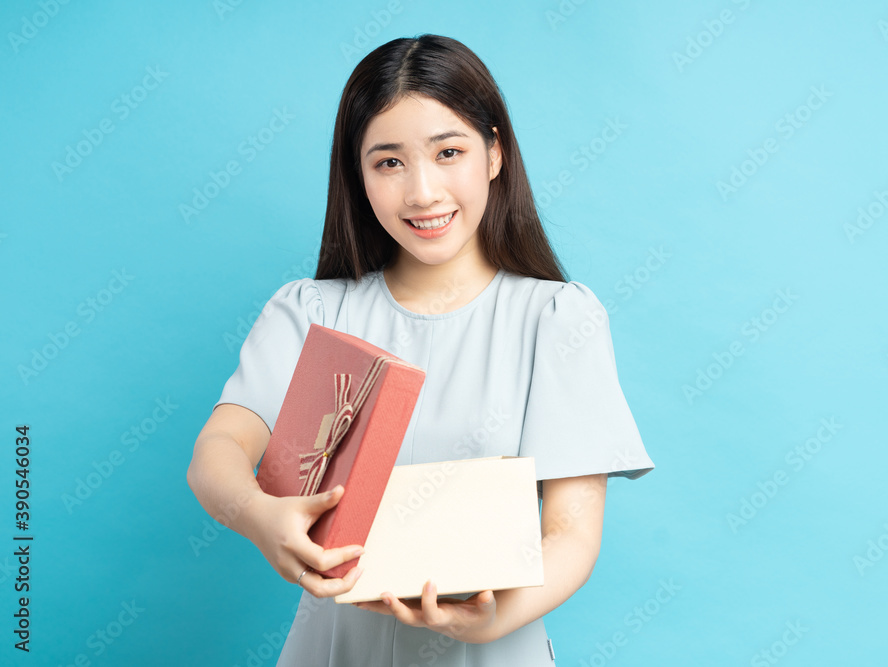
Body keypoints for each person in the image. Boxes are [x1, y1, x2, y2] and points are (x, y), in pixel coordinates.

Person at [187, 33, 654, 666]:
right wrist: (258, 517)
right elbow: (218, 451)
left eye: (449, 152)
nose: (423, 193)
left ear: (495, 153)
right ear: (358, 174)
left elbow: (571, 531)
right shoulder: (314, 311)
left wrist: (494, 619)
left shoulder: (554, 318)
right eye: (389, 162)